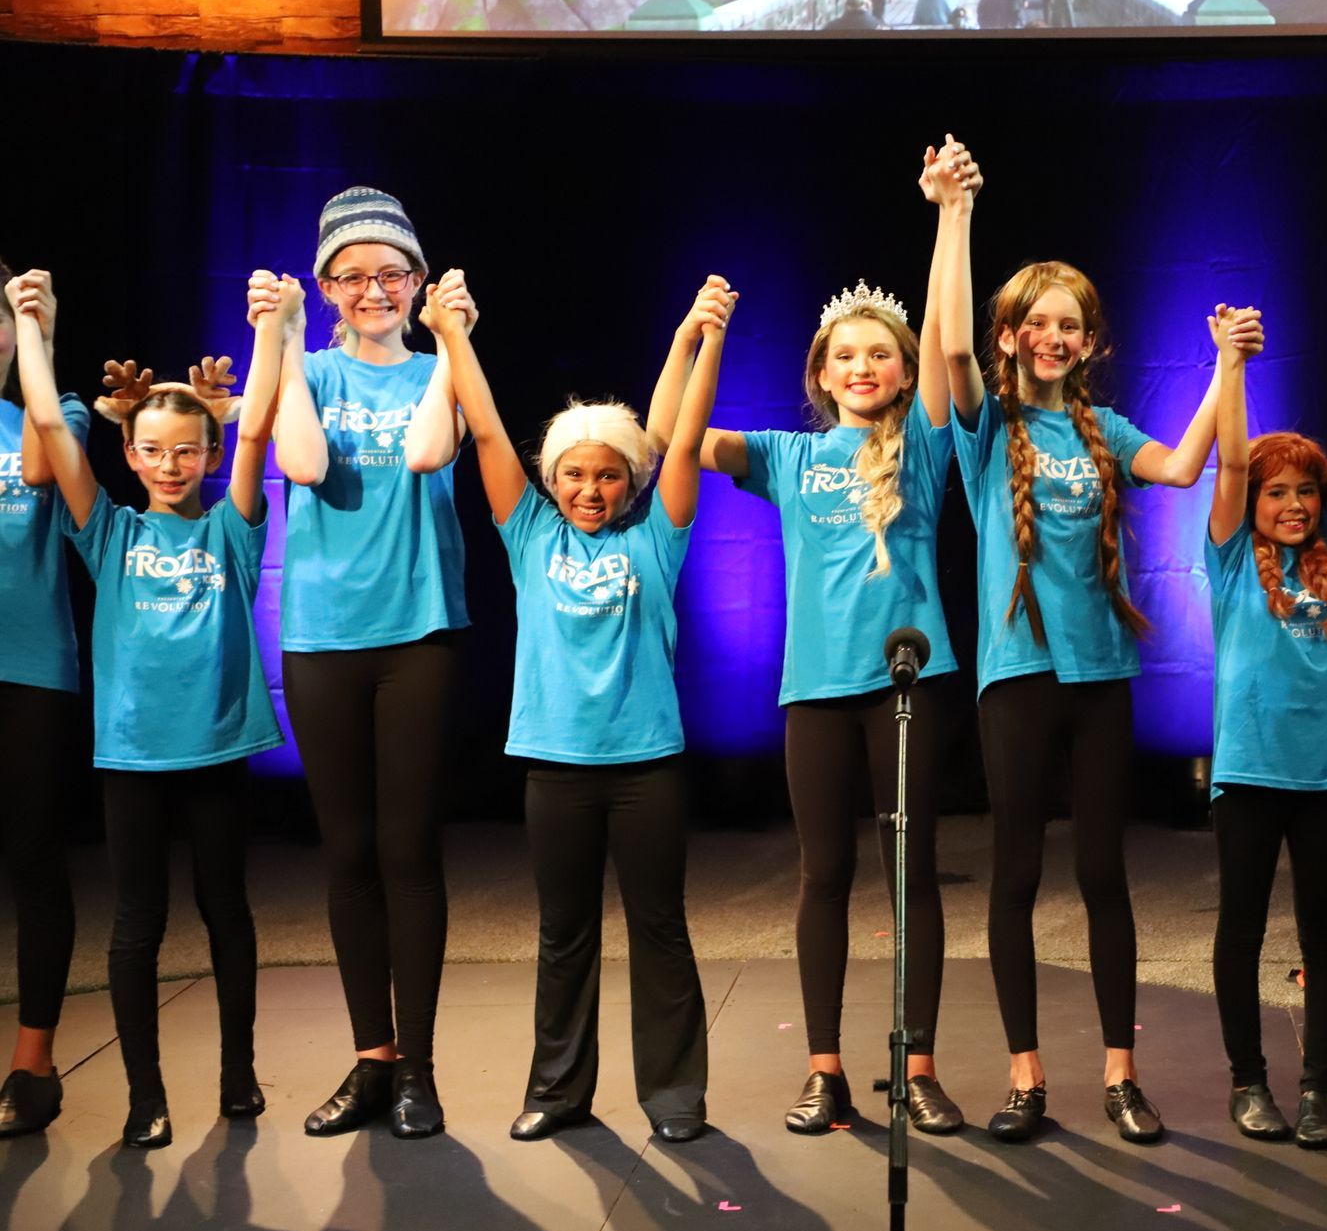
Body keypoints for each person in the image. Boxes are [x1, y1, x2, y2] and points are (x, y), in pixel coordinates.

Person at [938, 170, 1261, 1144]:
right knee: (1016, 876)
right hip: (1017, 681)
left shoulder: (1103, 428)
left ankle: (1122, 1075)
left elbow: (1181, 464)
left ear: (1090, 340)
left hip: (1101, 680)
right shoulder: (985, 424)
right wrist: (955, 214)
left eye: (1072, 321)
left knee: (1104, 875)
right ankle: (1025, 1075)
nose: (1055, 334)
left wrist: (1224, 366)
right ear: (1011, 334)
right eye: (1038, 320)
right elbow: (948, 342)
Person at [692, 140, 980, 1137]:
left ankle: (922, 1065)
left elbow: (951, 340)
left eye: (878, 352)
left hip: (909, 682)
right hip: (813, 687)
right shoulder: (787, 453)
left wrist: (951, 213)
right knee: (824, 873)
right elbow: (674, 441)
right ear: (820, 371)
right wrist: (701, 341)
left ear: (899, 371)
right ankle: (826, 1069)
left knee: (912, 871)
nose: (863, 366)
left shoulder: (935, 445)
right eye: (843, 354)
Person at [421, 274, 733, 1144]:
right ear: (549, 479)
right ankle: (559, 1093)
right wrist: (452, 335)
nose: (589, 489)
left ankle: (674, 1097)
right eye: (572, 474)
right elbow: (484, 428)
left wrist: (704, 340)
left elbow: (682, 438)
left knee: (659, 930)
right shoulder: (529, 533)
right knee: (564, 936)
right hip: (555, 768)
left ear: (629, 482)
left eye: (605, 475)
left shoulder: (654, 535)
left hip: (646, 769)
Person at [11, 271, 297, 1148]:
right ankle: (145, 1096)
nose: (171, 466)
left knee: (226, 913)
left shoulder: (231, 530)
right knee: (136, 926)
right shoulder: (109, 531)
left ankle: (238, 1074)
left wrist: (270, 328)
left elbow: (254, 438)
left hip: (214, 751)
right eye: (153, 450)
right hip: (132, 758)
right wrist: (35, 328)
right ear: (129, 456)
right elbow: (53, 430)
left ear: (209, 456)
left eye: (187, 450)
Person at [264, 187, 479, 1140]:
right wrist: (280, 342)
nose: (372, 290)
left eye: (390, 273)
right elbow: (305, 465)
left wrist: (450, 344)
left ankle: (420, 1071)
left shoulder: (443, 371)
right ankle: (370, 1057)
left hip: (419, 635)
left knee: (407, 850)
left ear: (417, 281)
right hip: (322, 638)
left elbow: (432, 451)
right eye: (351, 276)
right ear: (325, 286)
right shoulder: (301, 370)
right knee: (348, 852)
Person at [1205, 310, 1327, 1151]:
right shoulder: (1233, 553)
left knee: (1325, 933)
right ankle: (1248, 1082)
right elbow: (1231, 459)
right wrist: (1231, 366)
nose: (1293, 503)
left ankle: (1318, 1089)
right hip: (1248, 771)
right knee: (1240, 925)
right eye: (1278, 491)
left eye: (1303, 492)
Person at [0, 265, 82, 1139]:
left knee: (33, 862)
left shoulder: (52, 417)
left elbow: (35, 460)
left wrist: (40, 338)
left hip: (28, 673)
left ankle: (34, 1064)